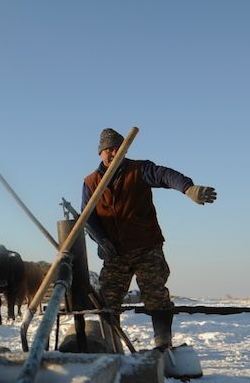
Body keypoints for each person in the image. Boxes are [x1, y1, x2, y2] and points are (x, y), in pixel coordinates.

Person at [82, 127, 216, 352]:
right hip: (115, 252)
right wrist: (101, 241)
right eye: (109, 149)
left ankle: (163, 344)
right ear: (100, 153)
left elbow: (165, 175)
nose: (113, 153)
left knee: (155, 295)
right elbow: (88, 217)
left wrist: (188, 188)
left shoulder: (139, 169)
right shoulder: (91, 182)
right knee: (107, 300)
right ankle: (111, 346)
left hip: (146, 247)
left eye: (118, 148)